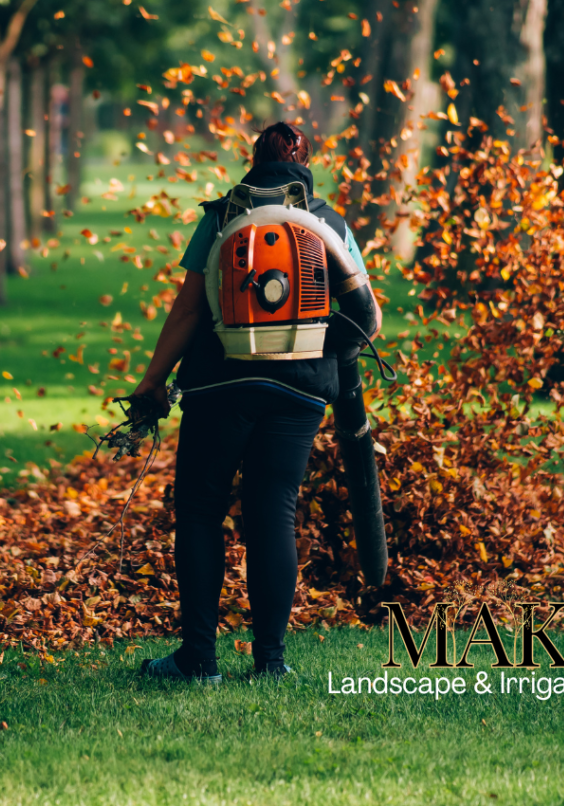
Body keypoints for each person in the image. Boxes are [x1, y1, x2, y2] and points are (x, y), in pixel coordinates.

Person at [130, 121, 382, 682]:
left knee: (200, 510)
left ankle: (198, 658)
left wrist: (152, 381)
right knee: (274, 512)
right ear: (306, 163)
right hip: (300, 390)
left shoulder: (221, 217)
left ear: (252, 160)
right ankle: (270, 661)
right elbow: (366, 317)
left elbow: (190, 311)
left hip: (220, 384)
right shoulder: (327, 222)